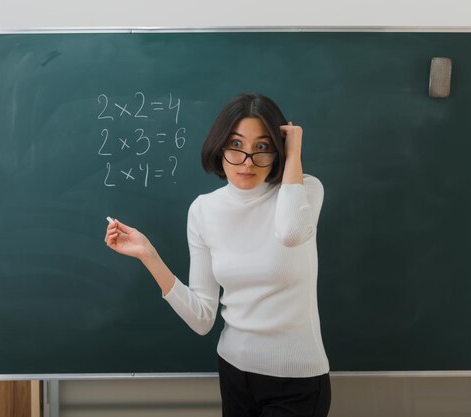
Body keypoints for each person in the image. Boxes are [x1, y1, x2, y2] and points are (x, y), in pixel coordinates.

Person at [104, 93, 330, 417]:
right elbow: (201, 318)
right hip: (235, 374)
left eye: (263, 147)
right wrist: (148, 255)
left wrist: (293, 152)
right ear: (220, 147)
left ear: (278, 151)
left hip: (297, 383)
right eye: (236, 145)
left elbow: (291, 233)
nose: (248, 161)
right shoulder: (203, 210)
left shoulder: (304, 190)